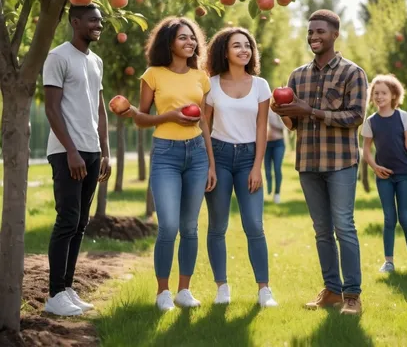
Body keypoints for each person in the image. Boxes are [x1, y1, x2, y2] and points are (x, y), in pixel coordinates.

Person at [272, 9, 367, 315]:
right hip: (308, 163)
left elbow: (355, 117)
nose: (313, 37)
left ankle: (353, 295)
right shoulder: (297, 76)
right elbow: (295, 124)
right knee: (322, 231)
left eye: (320, 32)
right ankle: (332, 291)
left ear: (335, 34)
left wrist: (309, 110)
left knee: (344, 227)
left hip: (340, 162)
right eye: (310, 32)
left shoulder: (353, 73)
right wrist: (283, 112)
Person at [121, 17, 216, 311]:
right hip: (166, 153)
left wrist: (211, 164)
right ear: (168, 43)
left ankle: (183, 291)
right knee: (169, 226)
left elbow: (204, 125)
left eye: (192, 38)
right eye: (182, 38)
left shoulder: (201, 78)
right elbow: (141, 119)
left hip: (197, 153)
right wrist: (170, 117)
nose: (190, 43)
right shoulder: (153, 75)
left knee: (190, 227)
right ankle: (162, 291)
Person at [43, 4, 112, 316]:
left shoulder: (96, 60)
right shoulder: (58, 56)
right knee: (67, 220)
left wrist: (105, 152)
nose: (98, 25)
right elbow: (52, 108)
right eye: (93, 20)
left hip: (92, 151)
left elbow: (100, 110)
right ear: (75, 22)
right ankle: (55, 294)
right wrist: (70, 150)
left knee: (81, 223)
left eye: (100, 20)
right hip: (66, 152)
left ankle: (67, 288)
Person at [204, 27, 278, 307]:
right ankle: (222, 286)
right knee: (217, 226)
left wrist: (257, 166)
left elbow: (262, 127)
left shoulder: (260, 85)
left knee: (254, 225)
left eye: (247, 45)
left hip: (249, 157)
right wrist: (210, 164)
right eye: (237, 45)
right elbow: (205, 126)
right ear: (225, 51)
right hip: (219, 156)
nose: (244, 50)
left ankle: (264, 289)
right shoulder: (209, 84)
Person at [362, 74, 407, 273]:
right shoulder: (370, 121)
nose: (379, 97)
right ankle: (389, 262)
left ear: (393, 95)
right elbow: (366, 151)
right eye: (376, 93)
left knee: (405, 217)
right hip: (383, 177)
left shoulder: (402, 116)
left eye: (384, 93)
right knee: (389, 218)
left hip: (404, 174)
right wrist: (375, 168)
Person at [265, 109, 286, 204]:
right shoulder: (263, 109)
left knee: (277, 168)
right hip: (267, 144)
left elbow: (284, 126)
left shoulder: (277, 110)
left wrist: (272, 122)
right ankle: (269, 189)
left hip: (278, 143)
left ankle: (277, 193)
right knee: (267, 170)